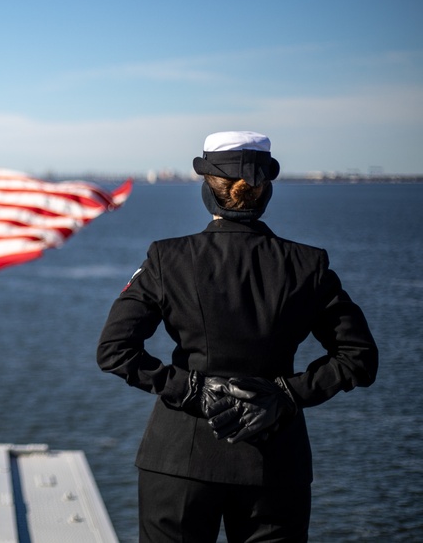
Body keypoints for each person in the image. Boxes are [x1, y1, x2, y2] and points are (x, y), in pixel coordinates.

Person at [96, 131, 378, 543]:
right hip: (276, 464)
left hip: (178, 461)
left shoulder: (166, 258)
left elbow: (115, 351)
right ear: (264, 192)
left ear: (207, 191)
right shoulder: (308, 265)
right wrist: (286, 395)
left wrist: (192, 390)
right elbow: (359, 358)